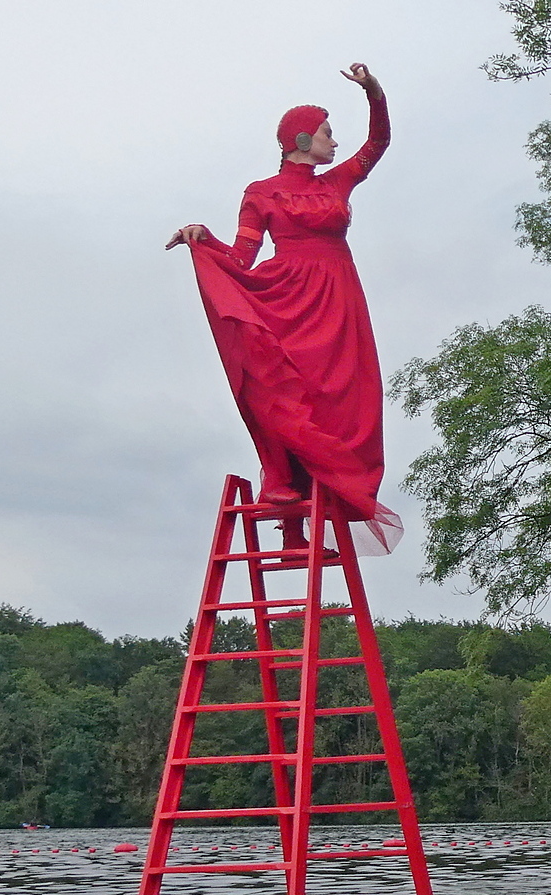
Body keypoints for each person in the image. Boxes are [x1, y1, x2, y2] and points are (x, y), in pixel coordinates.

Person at [166, 63, 403, 553]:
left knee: (339, 400)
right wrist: (201, 237)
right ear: (300, 138)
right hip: (290, 297)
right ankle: (289, 515)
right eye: (326, 134)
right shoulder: (262, 192)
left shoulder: (334, 183)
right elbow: (240, 257)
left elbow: (377, 143)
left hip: (338, 300)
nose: (334, 144)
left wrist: (373, 92)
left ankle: (314, 517)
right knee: (285, 393)